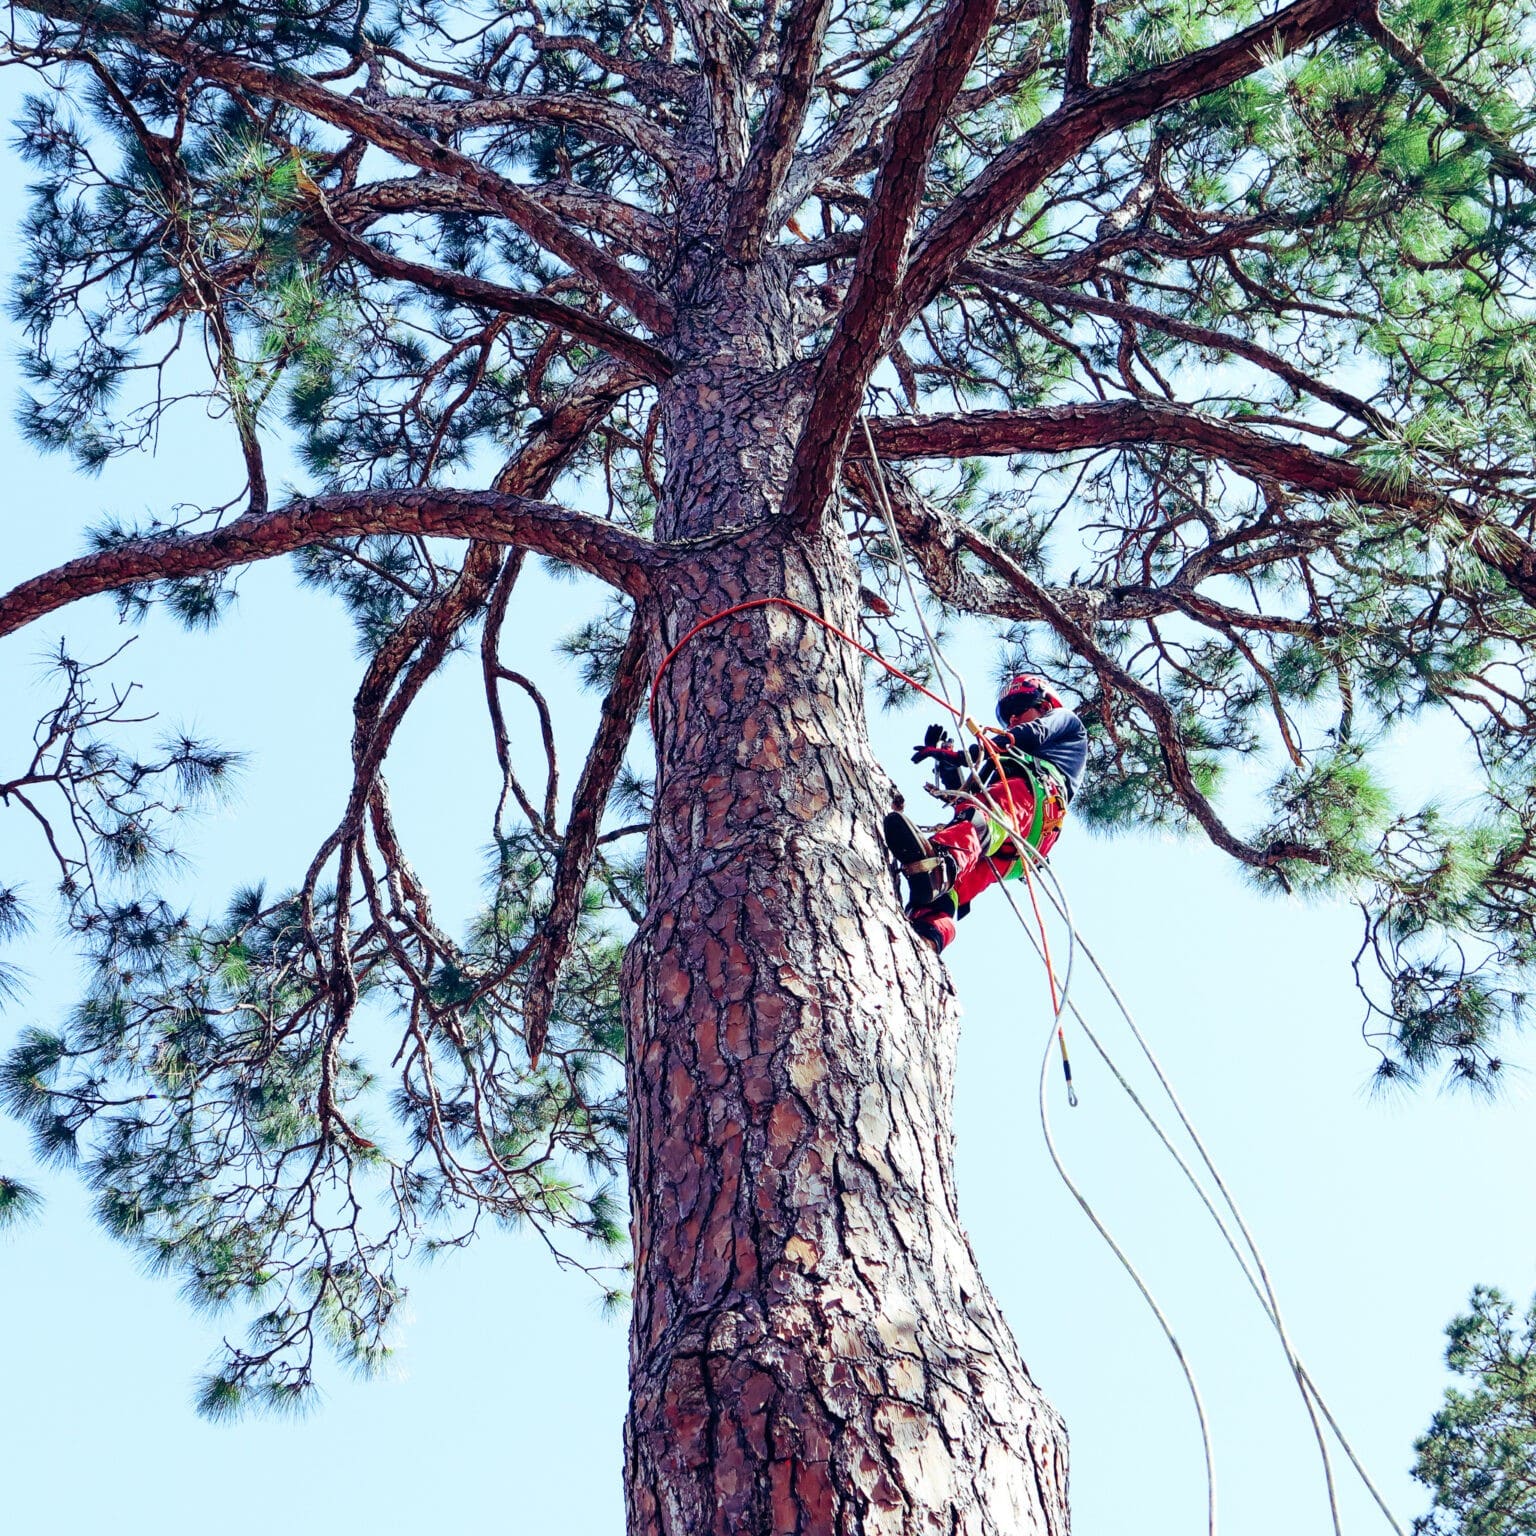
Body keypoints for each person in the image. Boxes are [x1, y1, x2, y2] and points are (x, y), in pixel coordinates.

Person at [882, 673, 1088, 954]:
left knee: (982, 817)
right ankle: (930, 934)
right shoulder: (1005, 760)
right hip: (1010, 850)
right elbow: (966, 799)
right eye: (1007, 717)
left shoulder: (1065, 721)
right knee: (949, 890)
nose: (1012, 720)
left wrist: (967, 753)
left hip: (1033, 801)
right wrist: (947, 763)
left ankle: (942, 863)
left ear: (1044, 706)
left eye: (1019, 709)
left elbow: (1030, 734)